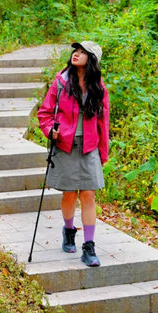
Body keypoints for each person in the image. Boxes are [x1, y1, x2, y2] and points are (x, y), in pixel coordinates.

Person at [37, 41, 110, 267]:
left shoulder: (99, 88)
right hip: (65, 145)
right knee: (69, 195)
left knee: (88, 195)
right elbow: (45, 113)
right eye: (75, 52)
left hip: (89, 147)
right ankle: (69, 231)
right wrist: (51, 131)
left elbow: (103, 123)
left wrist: (102, 155)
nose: (76, 55)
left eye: (82, 53)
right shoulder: (60, 83)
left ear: (92, 60)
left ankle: (89, 247)